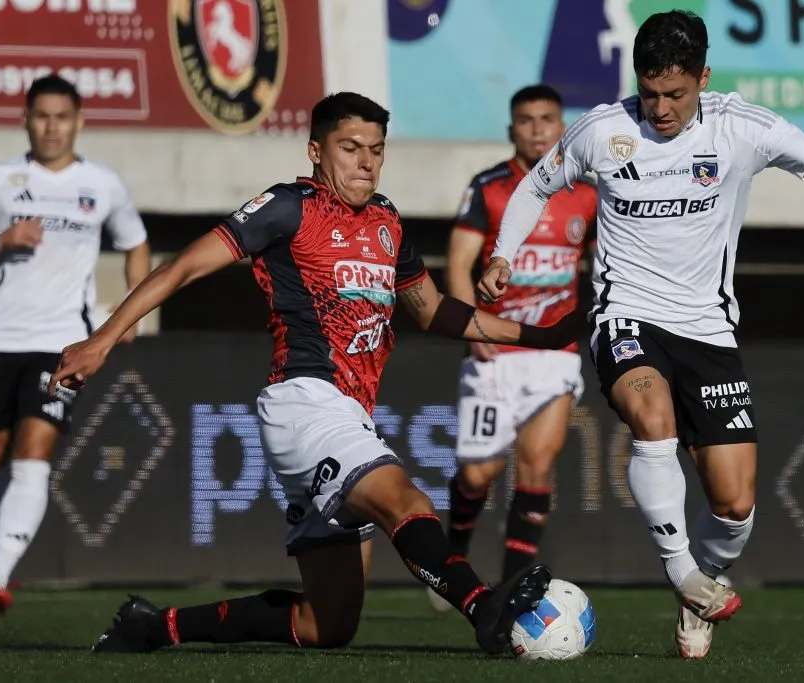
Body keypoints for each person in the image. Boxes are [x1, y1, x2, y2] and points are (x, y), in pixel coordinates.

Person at [50, 92, 580, 656]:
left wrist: (539, 335)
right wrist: (101, 340)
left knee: (327, 625)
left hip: (347, 414)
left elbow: (429, 309)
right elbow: (183, 266)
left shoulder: (387, 221)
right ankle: (482, 605)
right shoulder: (288, 206)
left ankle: (157, 628)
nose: (366, 163)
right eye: (350, 148)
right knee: (407, 503)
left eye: (376, 151)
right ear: (315, 151)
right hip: (304, 402)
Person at [477, 10, 804, 659]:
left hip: (707, 329)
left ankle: (703, 585)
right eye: (651, 92)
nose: (660, 107)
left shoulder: (740, 126)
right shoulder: (604, 129)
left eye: (676, 94)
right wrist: (503, 255)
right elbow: (535, 185)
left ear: (703, 78)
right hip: (624, 315)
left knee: (735, 502)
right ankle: (681, 569)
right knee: (651, 412)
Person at [427, 85, 597, 614]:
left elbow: (604, 263)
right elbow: (459, 263)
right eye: (527, 120)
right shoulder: (490, 188)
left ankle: (509, 591)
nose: (538, 129)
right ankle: (450, 559)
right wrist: (471, 328)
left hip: (555, 352)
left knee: (537, 466)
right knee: (478, 475)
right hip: (495, 350)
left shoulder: (588, 192)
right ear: (511, 129)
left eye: (548, 119)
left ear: (561, 125)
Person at [0, 74, 151, 616]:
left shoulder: (103, 184)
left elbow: (136, 242)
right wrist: (2, 242)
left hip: (60, 342)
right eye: (42, 116)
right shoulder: (2, 180)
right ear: (26, 120)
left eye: (62, 116)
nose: (52, 126)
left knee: (35, 447)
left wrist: (130, 311)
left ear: (79, 121)